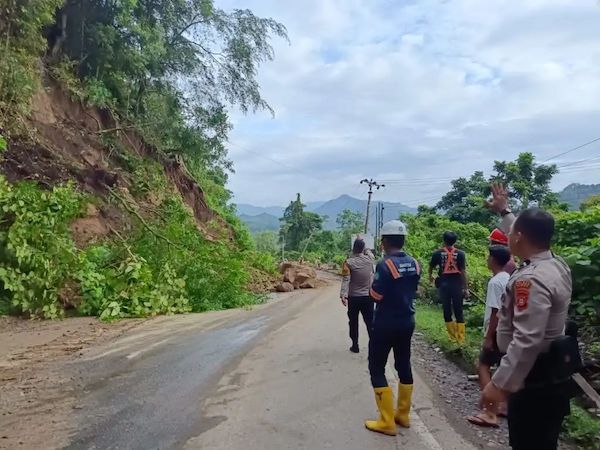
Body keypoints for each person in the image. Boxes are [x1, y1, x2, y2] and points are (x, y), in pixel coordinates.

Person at [480, 183, 573, 450]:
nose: (507, 236)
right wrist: (505, 210)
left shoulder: (530, 281)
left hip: (534, 381)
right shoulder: (555, 264)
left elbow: (527, 340)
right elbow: (521, 231)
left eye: (511, 232)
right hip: (550, 376)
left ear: (519, 237)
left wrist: (500, 385)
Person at [364, 220, 420, 436]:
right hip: (407, 321)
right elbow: (412, 288)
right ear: (403, 240)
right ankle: (403, 415)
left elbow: (376, 295)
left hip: (386, 322)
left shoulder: (384, 264)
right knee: (403, 364)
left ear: (384, 242)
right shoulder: (415, 263)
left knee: (377, 368)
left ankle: (386, 421)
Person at [466, 245, 511, 427]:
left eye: (488, 257)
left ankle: (489, 408)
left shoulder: (495, 282)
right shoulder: (508, 278)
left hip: (496, 331)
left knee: (483, 366)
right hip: (507, 332)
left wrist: (488, 337)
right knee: (502, 369)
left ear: (493, 260)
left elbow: (495, 311)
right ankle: (503, 405)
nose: (487, 259)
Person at [429, 231, 469, 343]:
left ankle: (452, 337)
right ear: (455, 241)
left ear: (444, 240)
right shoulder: (460, 253)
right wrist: (465, 288)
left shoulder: (437, 253)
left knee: (447, 311)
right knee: (458, 310)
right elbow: (463, 272)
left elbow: (431, 267)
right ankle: (460, 339)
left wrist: (431, 277)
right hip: (457, 284)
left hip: (444, 284)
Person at [340, 238, 374, 353]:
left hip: (354, 298)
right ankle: (374, 346)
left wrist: (343, 295)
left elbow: (346, 279)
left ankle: (355, 345)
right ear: (363, 249)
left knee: (353, 322)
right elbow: (368, 251)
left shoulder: (348, 262)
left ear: (353, 249)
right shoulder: (370, 259)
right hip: (368, 297)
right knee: (370, 322)